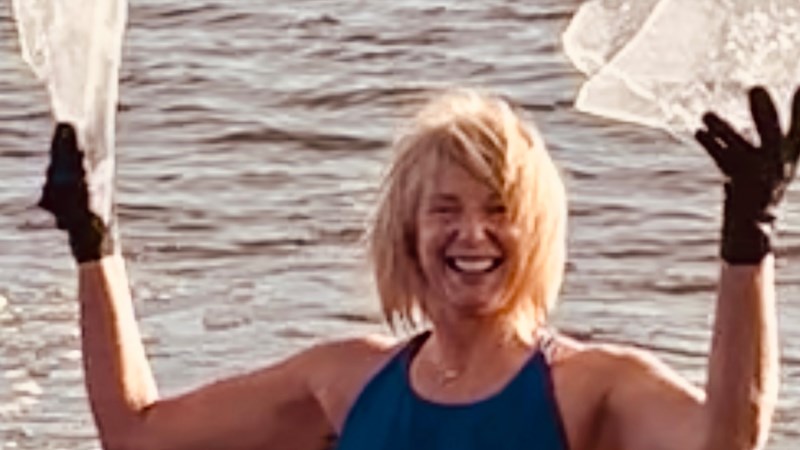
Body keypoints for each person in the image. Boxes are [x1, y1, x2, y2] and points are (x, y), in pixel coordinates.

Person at [38, 85, 799, 450]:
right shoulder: (345, 382)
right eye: (446, 209)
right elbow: (135, 434)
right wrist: (94, 243)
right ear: (407, 229)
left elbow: (727, 442)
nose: (473, 233)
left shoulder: (592, 387)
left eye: (499, 208)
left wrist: (748, 240)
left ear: (536, 230)